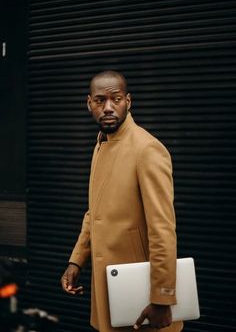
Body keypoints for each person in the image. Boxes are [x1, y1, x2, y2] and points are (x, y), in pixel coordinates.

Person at [61, 71, 183, 332]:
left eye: (116, 99)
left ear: (128, 101)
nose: (108, 107)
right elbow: (95, 211)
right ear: (89, 103)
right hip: (107, 285)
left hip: (139, 293)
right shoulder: (101, 143)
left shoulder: (146, 149)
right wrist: (76, 261)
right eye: (100, 100)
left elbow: (162, 229)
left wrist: (162, 298)